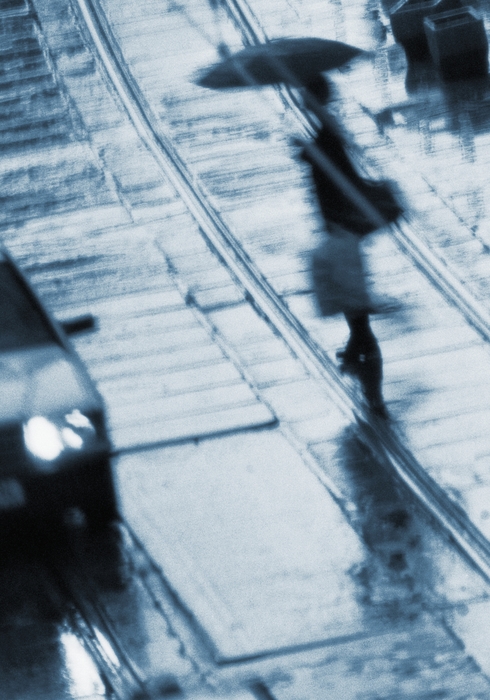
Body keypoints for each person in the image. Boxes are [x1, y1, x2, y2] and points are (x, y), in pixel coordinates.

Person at [301, 74, 402, 418]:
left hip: (342, 234)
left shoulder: (327, 139)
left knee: (358, 318)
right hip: (340, 234)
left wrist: (311, 155)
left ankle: (374, 398)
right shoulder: (325, 136)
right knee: (355, 315)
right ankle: (355, 365)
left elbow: (342, 183)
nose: (300, 99)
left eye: (305, 94)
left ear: (313, 98)